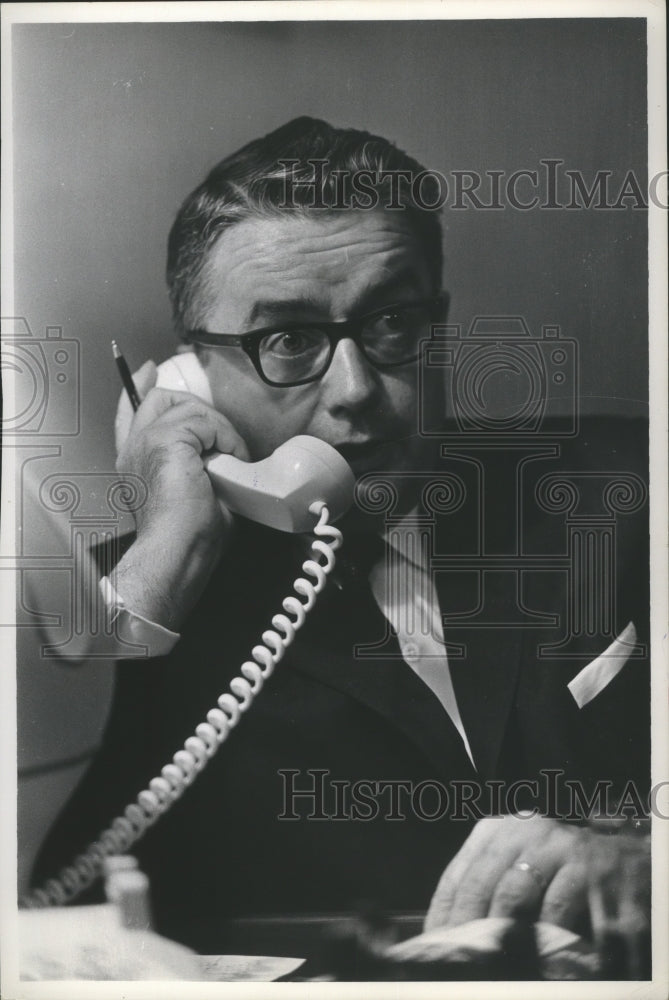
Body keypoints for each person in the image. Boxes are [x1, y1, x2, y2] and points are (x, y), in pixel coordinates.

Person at [32, 117, 650, 968]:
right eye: (286, 340)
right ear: (188, 378)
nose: (355, 390)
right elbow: (48, 919)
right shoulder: (121, 617)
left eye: (393, 323)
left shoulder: (623, 488)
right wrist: (166, 558)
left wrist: (645, 854)